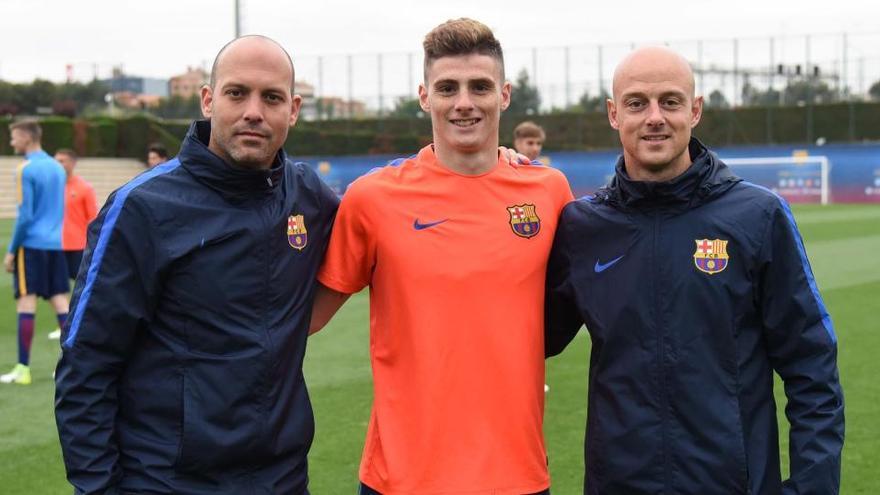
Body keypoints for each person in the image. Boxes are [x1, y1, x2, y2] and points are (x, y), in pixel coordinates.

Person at [545, 46, 844, 494]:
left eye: (670, 101)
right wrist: (496, 182)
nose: (654, 117)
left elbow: (812, 368)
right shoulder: (583, 228)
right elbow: (530, 338)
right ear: (613, 114)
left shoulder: (758, 217)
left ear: (695, 110)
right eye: (636, 103)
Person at [55, 35, 338, 494]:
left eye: (271, 97)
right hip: (168, 481)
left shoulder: (308, 196)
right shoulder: (141, 207)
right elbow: (86, 364)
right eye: (236, 93)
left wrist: (494, 159)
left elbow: (386, 208)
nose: (253, 111)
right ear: (208, 100)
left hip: (282, 480)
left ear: (294, 109)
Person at [310, 18, 573, 495]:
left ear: (505, 94)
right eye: (447, 87)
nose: (464, 102)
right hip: (401, 478)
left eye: (480, 87)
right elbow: (303, 319)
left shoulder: (550, 192)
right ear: (424, 95)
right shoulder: (372, 198)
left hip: (516, 475)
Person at [1, 120, 70, 385]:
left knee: (26, 303)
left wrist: (11, 251)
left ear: (27, 138)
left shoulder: (25, 169)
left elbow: (25, 216)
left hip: (31, 245)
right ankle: (70, 366)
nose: (11, 142)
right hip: (55, 244)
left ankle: (23, 369)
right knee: (61, 303)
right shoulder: (57, 167)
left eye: (14, 137)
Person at [55, 149, 98, 279]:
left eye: (62, 161)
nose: (57, 164)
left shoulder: (85, 188)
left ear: (73, 163)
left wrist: (91, 243)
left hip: (78, 246)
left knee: (80, 283)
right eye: (56, 161)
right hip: (55, 244)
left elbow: (93, 219)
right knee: (58, 287)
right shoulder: (51, 187)